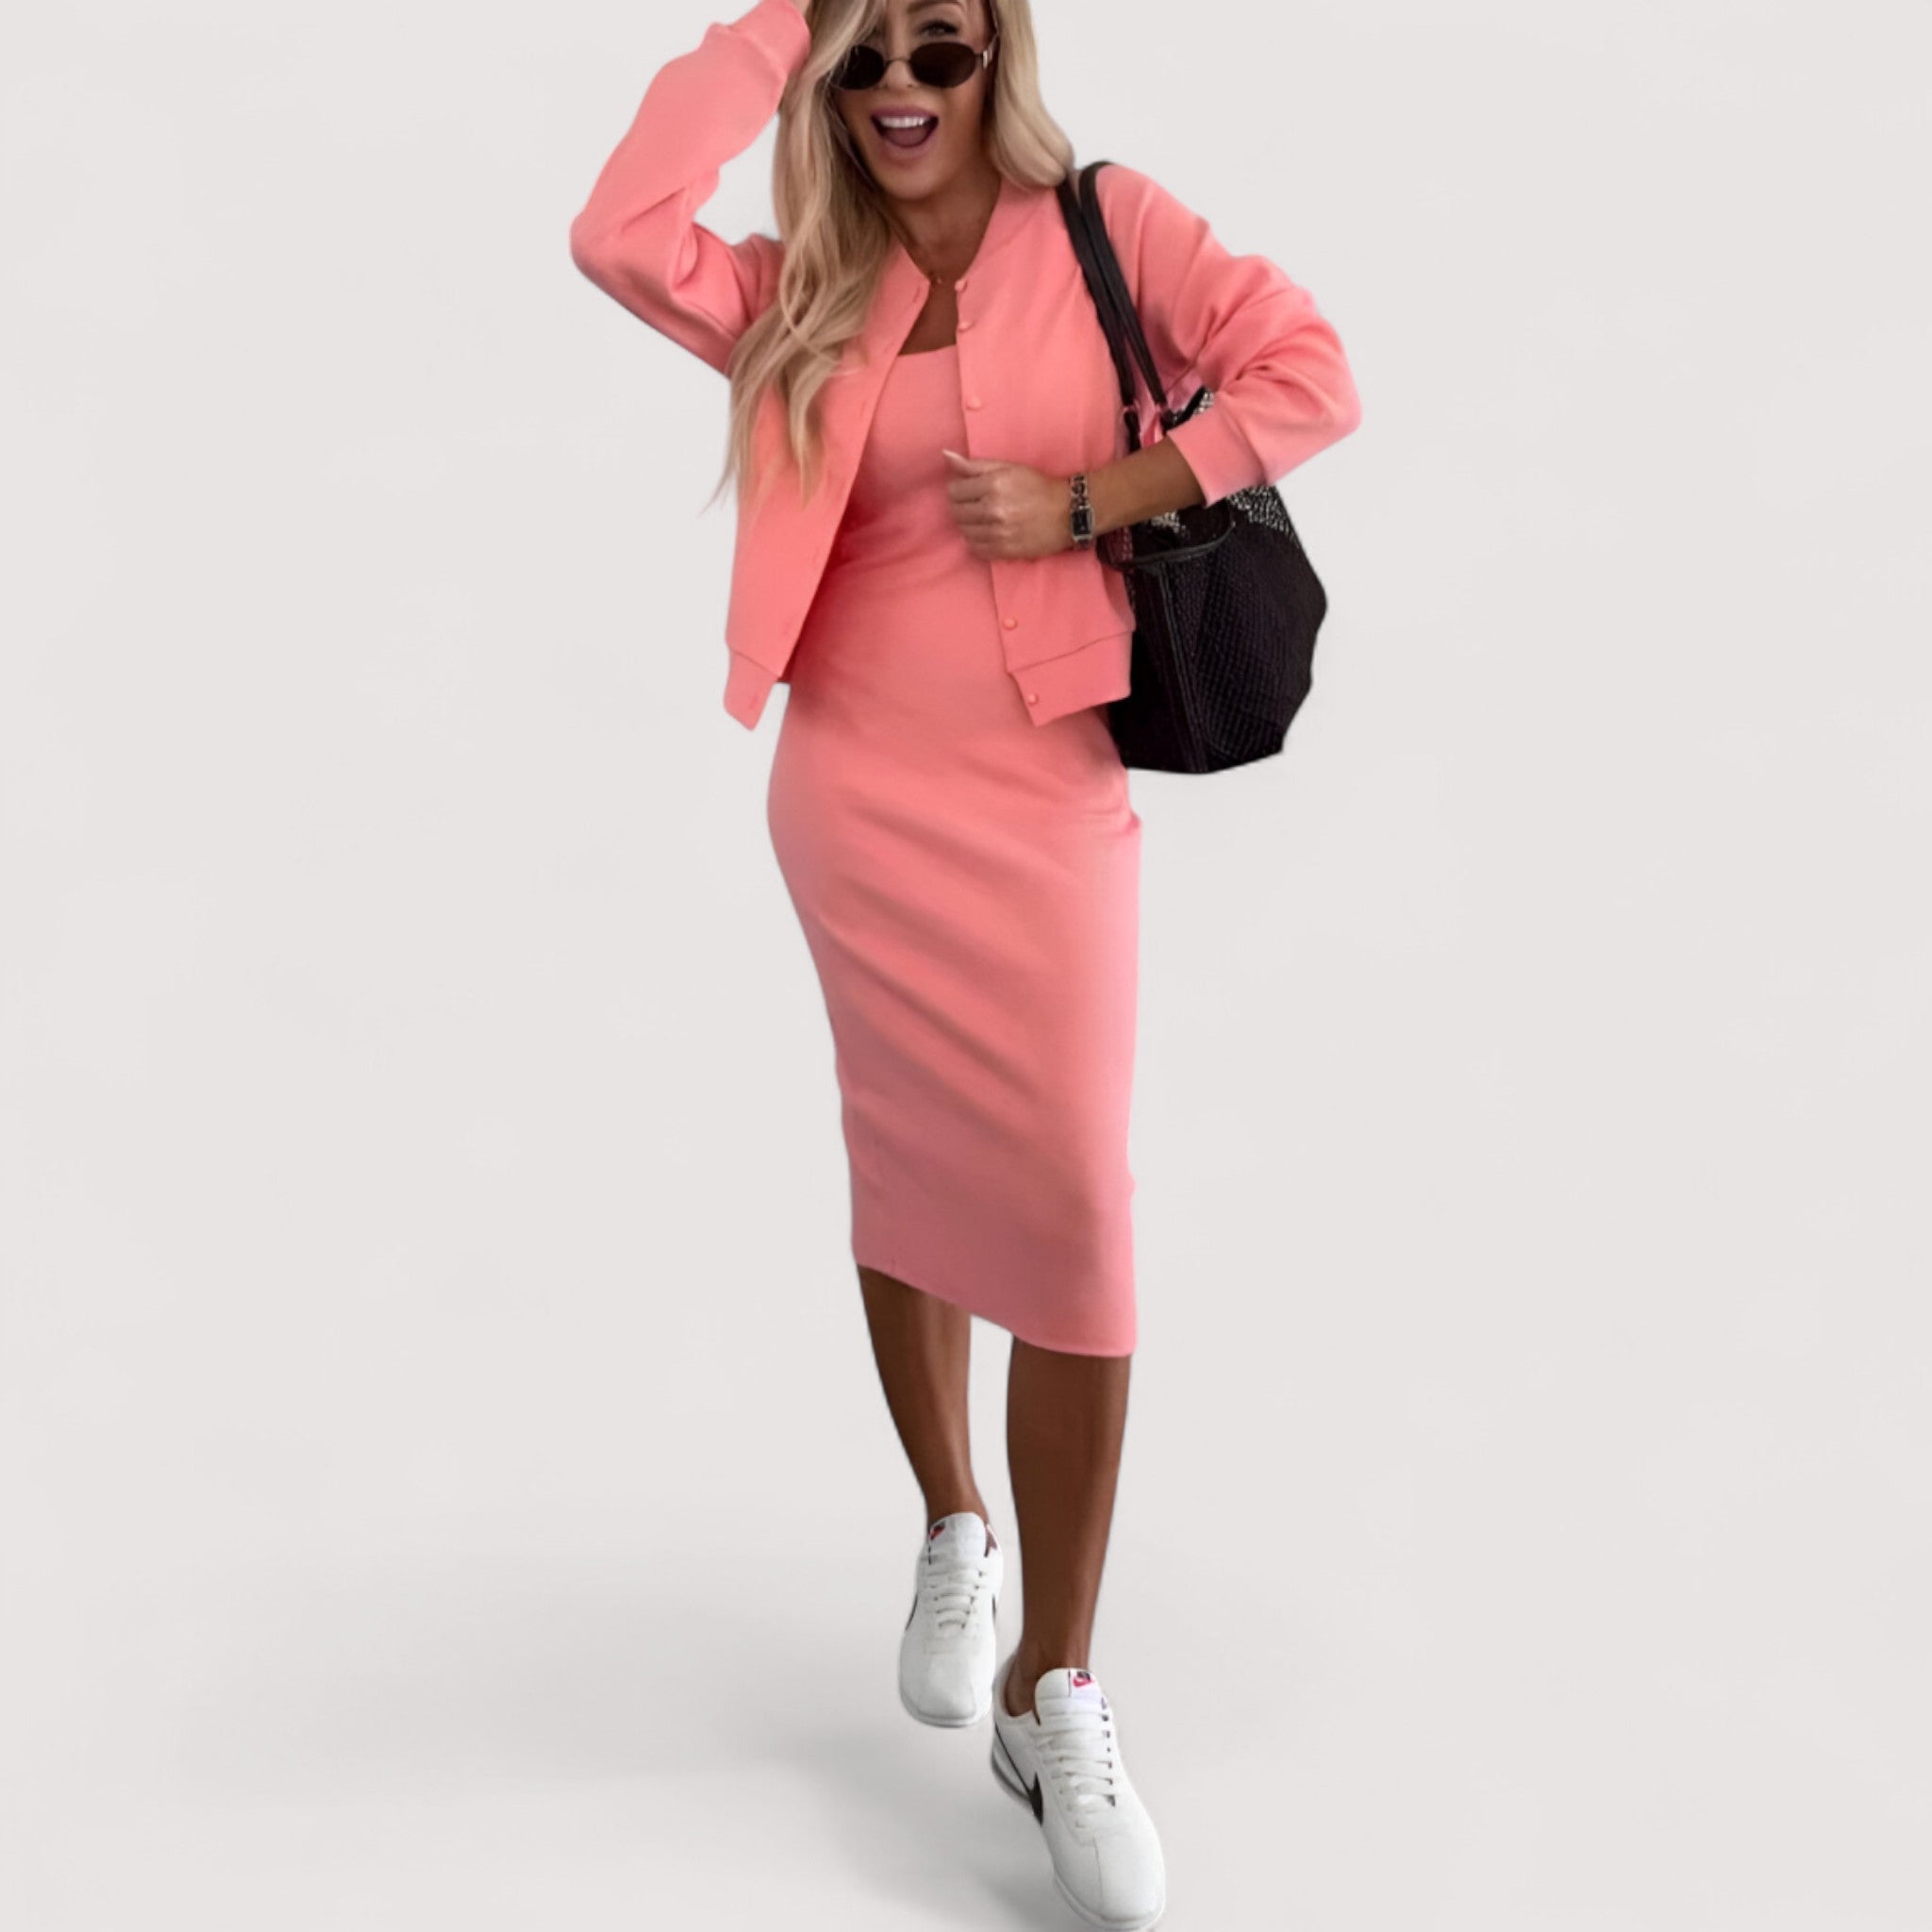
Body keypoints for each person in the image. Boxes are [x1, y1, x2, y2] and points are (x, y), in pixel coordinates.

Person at [568, 3, 1361, 1923]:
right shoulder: (799, 290)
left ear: (998, 54)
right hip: (853, 798)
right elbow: (615, 230)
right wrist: (780, 24)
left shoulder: (1104, 224)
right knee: (909, 1161)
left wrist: (1096, 502)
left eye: (938, 44)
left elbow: (1313, 371)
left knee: (1075, 1204)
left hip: (1043, 790)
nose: (902, 86)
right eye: (866, 58)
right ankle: (952, 1523)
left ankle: (1052, 1688)